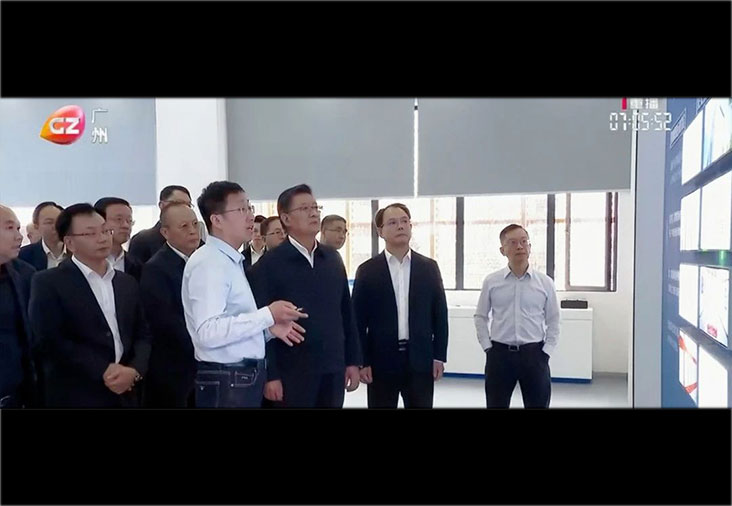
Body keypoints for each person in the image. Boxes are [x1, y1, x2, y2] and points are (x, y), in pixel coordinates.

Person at [181, 181, 307, 408]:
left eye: (250, 207)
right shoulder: (209, 263)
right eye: (241, 209)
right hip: (226, 380)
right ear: (217, 220)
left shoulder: (230, 261)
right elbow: (208, 333)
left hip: (238, 378)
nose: (250, 216)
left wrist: (267, 330)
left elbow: (231, 324)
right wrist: (267, 315)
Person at [250, 184, 362, 408]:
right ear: (286, 218)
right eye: (304, 208)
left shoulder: (332, 259)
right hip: (292, 372)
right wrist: (271, 375)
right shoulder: (269, 265)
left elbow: (346, 313)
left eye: (315, 207)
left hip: (332, 367)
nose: (313, 213)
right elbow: (261, 324)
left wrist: (353, 361)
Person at [29, 204, 151, 408]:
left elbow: (142, 333)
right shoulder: (48, 282)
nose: (102, 238)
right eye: (91, 233)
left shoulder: (126, 282)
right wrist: (103, 369)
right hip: (76, 393)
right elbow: (49, 339)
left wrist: (134, 370)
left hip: (126, 392)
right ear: (70, 242)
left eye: (105, 230)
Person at [352, 203, 448, 408]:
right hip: (381, 361)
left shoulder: (429, 268)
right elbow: (357, 321)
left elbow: (440, 315)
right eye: (393, 222)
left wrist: (439, 356)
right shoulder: (367, 271)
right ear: (380, 231)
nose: (401, 226)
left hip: (420, 359)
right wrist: (362, 360)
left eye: (405, 221)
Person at [474, 224, 560, 409]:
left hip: (534, 355)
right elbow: (480, 316)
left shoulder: (545, 283)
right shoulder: (491, 281)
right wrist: (487, 347)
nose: (519, 246)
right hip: (499, 355)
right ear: (502, 250)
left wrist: (547, 352)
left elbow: (553, 320)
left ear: (530, 247)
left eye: (523, 241)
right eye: (512, 243)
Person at [140, 202, 202, 408]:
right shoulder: (156, 269)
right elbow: (165, 321)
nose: (192, 231)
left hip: (207, 362)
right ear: (165, 232)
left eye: (195, 224)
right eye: (184, 226)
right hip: (176, 366)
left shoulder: (206, 259)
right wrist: (203, 343)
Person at [0, 205, 38, 408]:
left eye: (18, 228)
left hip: (16, 393)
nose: (19, 236)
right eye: (9, 228)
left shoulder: (25, 274)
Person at [129, 185, 193, 263]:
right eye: (178, 203)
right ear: (162, 205)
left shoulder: (194, 239)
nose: (184, 209)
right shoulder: (142, 240)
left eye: (188, 205)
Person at [94, 197, 143, 281]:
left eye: (129, 221)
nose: (126, 226)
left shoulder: (138, 266)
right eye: (118, 219)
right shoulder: (85, 262)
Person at [18, 201, 66, 271]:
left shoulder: (78, 252)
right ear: (36, 226)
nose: (56, 226)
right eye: (49, 222)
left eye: (59, 221)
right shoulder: (23, 255)